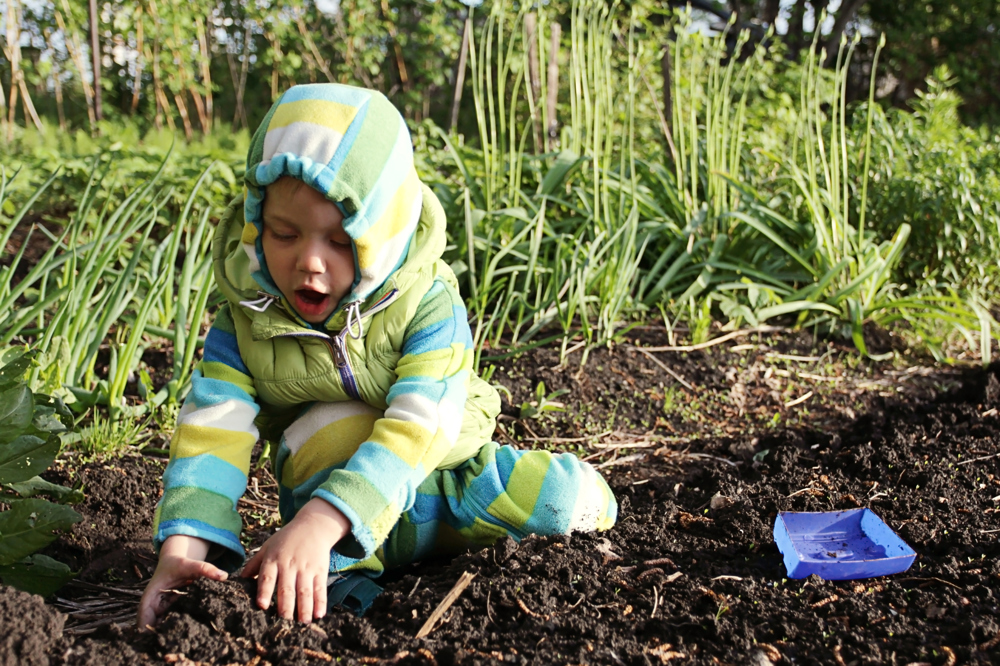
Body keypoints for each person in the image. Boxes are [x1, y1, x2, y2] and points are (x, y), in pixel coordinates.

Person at [137, 83, 617, 628]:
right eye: (284, 233)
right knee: (328, 431)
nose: (309, 263)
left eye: (341, 243)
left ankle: (423, 528)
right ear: (255, 224)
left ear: (385, 234)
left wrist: (320, 521)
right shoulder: (246, 320)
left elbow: (422, 424)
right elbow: (212, 432)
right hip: (325, 487)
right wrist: (184, 546)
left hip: (439, 469)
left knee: (565, 501)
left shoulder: (427, 301)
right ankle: (341, 569)